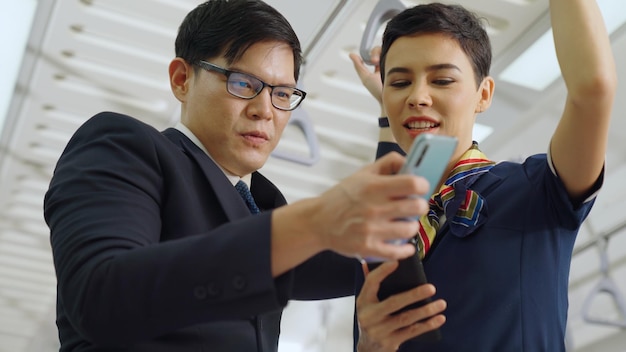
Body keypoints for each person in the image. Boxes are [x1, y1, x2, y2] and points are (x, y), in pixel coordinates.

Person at [43, 0, 447, 351]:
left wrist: (391, 111)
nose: (264, 109)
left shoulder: (263, 205)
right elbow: (102, 299)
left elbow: (378, 246)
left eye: (283, 94)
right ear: (182, 79)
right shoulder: (125, 146)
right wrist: (312, 221)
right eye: (243, 83)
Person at [349, 0, 616, 351]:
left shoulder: (535, 192)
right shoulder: (384, 238)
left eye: (441, 79)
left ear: (483, 94)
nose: (417, 97)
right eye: (400, 83)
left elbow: (592, 90)